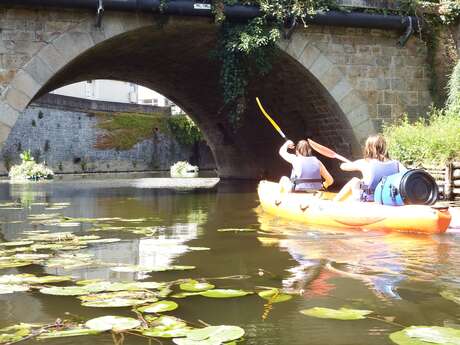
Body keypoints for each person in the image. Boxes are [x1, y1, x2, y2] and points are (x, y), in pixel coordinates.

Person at [333, 134, 406, 202]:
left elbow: (343, 167)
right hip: (387, 196)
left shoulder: (364, 162)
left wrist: (343, 164)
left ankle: (334, 203)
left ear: (368, 148)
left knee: (355, 181)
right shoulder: (396, 163)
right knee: (362, 181)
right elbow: (406, 174)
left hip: (369, 196)